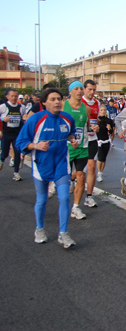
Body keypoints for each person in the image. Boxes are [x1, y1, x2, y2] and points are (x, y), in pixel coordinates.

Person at [15, 88, 78, 248]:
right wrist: (35, 145)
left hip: (61, 165)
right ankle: (40, 229)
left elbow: (70, 134)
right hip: (41, 166)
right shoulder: (35, 120)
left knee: (64, 198)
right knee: (42, 200)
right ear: (44, 102)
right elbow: (20, 143)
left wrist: (73, 140)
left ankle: (63, 233)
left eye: (59, 99)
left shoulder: (67, 118)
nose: (57, 102)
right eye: (53, 99)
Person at [63, 81, 89, 220]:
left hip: (82, 147)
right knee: (63, 178)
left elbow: (88, 126)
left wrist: (94, 129)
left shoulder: (86, 108)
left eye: (81, 88)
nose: (79, 91)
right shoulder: (63, 105)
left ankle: (76, 207)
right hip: (66, 148)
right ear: (71, 91)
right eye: (76, 88)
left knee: (81, 176)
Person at [0, 88, 27, 180]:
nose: (14, 98)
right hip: (6, 134)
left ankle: (16, 173)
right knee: (5, 153)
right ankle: (1, 159)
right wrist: (3, 119)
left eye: (16, 96)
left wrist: (24, 118)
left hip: (17, 134)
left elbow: (24, 118)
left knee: (17, 153)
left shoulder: (21, 107)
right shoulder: (3, 106)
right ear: (7, 97)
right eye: (12, 96)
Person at [81, 80, 101, 208]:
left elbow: (97, 120)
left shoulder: (97, 103)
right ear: (84, 89)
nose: (92, 92)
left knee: (91, 167)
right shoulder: (79, 102)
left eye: (94, 90)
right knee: (78, 171)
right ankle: (71, 180)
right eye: (89, 89)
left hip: (92, 139)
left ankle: (89, 196)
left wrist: (97, 127)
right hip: (79, 140)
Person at [96, 105, 115, 182]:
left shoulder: (109, 120)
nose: (103, 111)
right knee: (100, 157)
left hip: (106, 141)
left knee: (104, 158)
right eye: (101, 110)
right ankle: (99, 173)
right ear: (99, 111)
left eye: (104, 110)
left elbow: (111, 133)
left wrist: (109, 129)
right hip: (98, 141)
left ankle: (101, 172)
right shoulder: (96, 120)